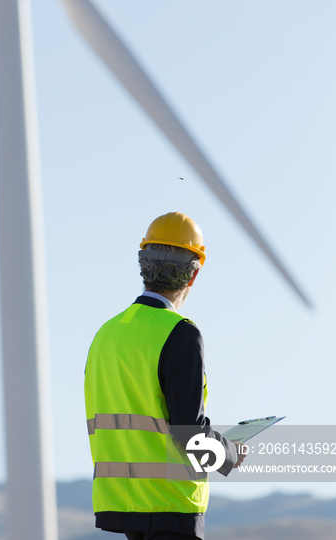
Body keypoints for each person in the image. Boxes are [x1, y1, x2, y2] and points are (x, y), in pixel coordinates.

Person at [84, 211, 246, 540]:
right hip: (171, 506)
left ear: (143, 264)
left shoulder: (105, 334)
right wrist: (230, 453)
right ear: (193, 275)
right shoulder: (180, 334)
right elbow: (189, 434)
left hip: (122, 505)